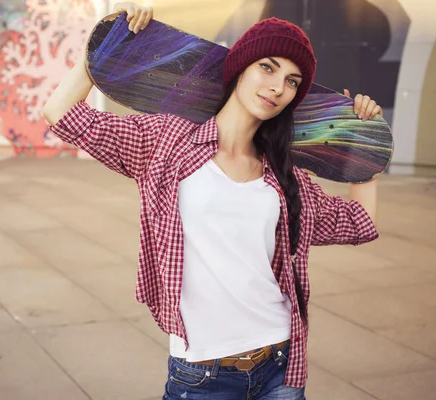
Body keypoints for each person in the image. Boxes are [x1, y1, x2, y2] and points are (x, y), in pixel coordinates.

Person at [43, 3, 381, 399]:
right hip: (202, 375)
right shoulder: (168, 142)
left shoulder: (285, 175)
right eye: (267, 67)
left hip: (280, 366)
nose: (277, 87)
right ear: (240, 67)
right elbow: (61, 113)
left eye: (292, 81)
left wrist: (364, 148)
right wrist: (107, 41)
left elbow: (357, 222)